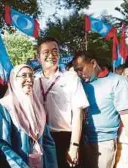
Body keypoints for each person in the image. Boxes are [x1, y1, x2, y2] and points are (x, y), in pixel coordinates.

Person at [72, 51, 128, 168]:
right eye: (76, 70)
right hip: (82, 141)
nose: (79, 73)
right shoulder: (80, 84)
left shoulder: (117, 82)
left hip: (103, 144)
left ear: (93, 63)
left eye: (81, 69)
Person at [33, 37, 89, 168]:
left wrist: (74, 145)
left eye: (55, 51)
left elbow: (78, 113)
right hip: (40, 138)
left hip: (65, 137)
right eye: (46, 52)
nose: (51, 55)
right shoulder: (33, 80)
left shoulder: (70, 78)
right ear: (38, 57)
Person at [0, 64, 58, 168]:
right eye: (24, 75)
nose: (29, 79)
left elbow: (47, 141)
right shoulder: (4, 106)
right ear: (14, 80)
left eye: (31, 76)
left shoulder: (37, 106)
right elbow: (3, 145)